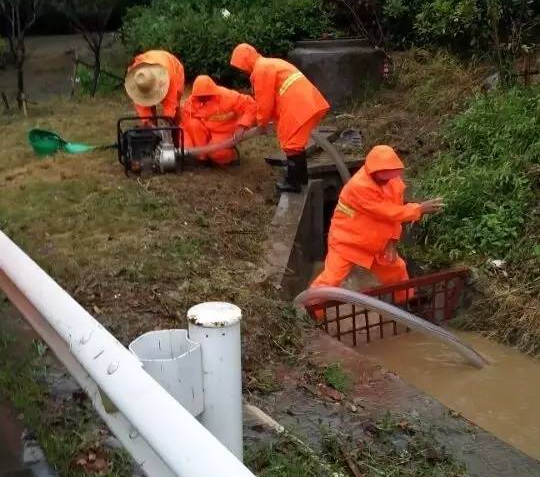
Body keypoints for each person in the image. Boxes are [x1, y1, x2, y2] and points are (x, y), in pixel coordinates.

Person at [310, 145, 444, 303]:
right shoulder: (359, 187)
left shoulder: (394, 182)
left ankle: (406, 304)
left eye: (387, 178)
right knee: (330, 280)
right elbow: (388, 212)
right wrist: (419, 208)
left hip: (376, 244)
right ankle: (312, 311)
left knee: (397, 272)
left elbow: (394, 216)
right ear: (371, 172)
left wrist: (392, 241)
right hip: (347, 242)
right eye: (381, 179)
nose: (385, 182)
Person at [230, 43, 330, 193]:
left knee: (291, 144)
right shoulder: (270, 63)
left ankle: (293, 183)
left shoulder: (261, 70)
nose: (241, 70)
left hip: (296, 105)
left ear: (245, 61)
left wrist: (262, 124)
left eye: (240, 66)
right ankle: (301, 179)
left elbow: (265, 102)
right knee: (296, 143)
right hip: (308, 101)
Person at [181, 75, 257, 165]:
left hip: (224, 132)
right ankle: (203, 158)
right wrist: (186, 148)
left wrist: (243, 126)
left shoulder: (228, 96)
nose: (202, 98)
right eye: (199, 96)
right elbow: (185, 126)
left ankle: (231, 155)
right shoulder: (192, 101)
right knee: (192, 123)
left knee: (217, 154)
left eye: (205, 96)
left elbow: (252, 106)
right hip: (205, 131)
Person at [124, 50, 185, 145]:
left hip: (174, 69)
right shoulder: (138, 77)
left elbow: (171, 106)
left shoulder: (169, 77)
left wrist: (166, 128)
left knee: (174, 114)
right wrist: (149, 125)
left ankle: (176, 143)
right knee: (149, 120)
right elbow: (143, 109)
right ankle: (154, 143)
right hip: (153, 65)